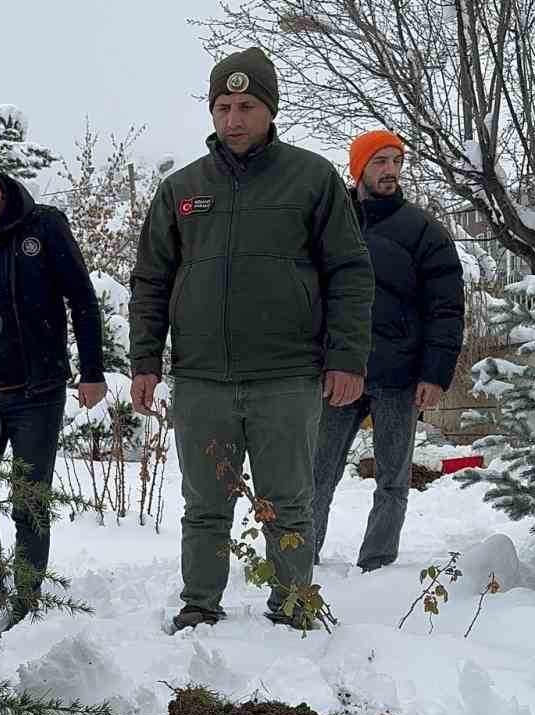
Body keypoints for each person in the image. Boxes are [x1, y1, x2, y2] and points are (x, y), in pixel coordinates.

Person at [128, 47, 374, 632]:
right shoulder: (181, 189)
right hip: (202, 378)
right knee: (205, 505)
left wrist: (346, 357)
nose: (233, 119)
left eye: (246, 106)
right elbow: (151, 279)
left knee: (289, 503)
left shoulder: (312, 179)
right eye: (223, 106)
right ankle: (199, 604)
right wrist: (144, 361)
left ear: (270, 109)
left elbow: (349, 271)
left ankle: (292, 606)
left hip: (286, 377)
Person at [0, 158, 107, 629]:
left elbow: (82, 298)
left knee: (30, 498)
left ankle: (27, 596)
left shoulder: (44, 227)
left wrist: (92, 370)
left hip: (39, 389)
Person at [311, 131, 464, 572]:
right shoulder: (330, 224)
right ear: (358, 168)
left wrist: (435, 375)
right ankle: (303, 556)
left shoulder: (424, 232)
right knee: (317, 473)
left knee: (393, 479)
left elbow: (447, 308)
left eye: (396, 161)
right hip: (339, 371)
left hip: (399, 376)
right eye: (380, 161)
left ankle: (377, 565)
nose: (391, 170)